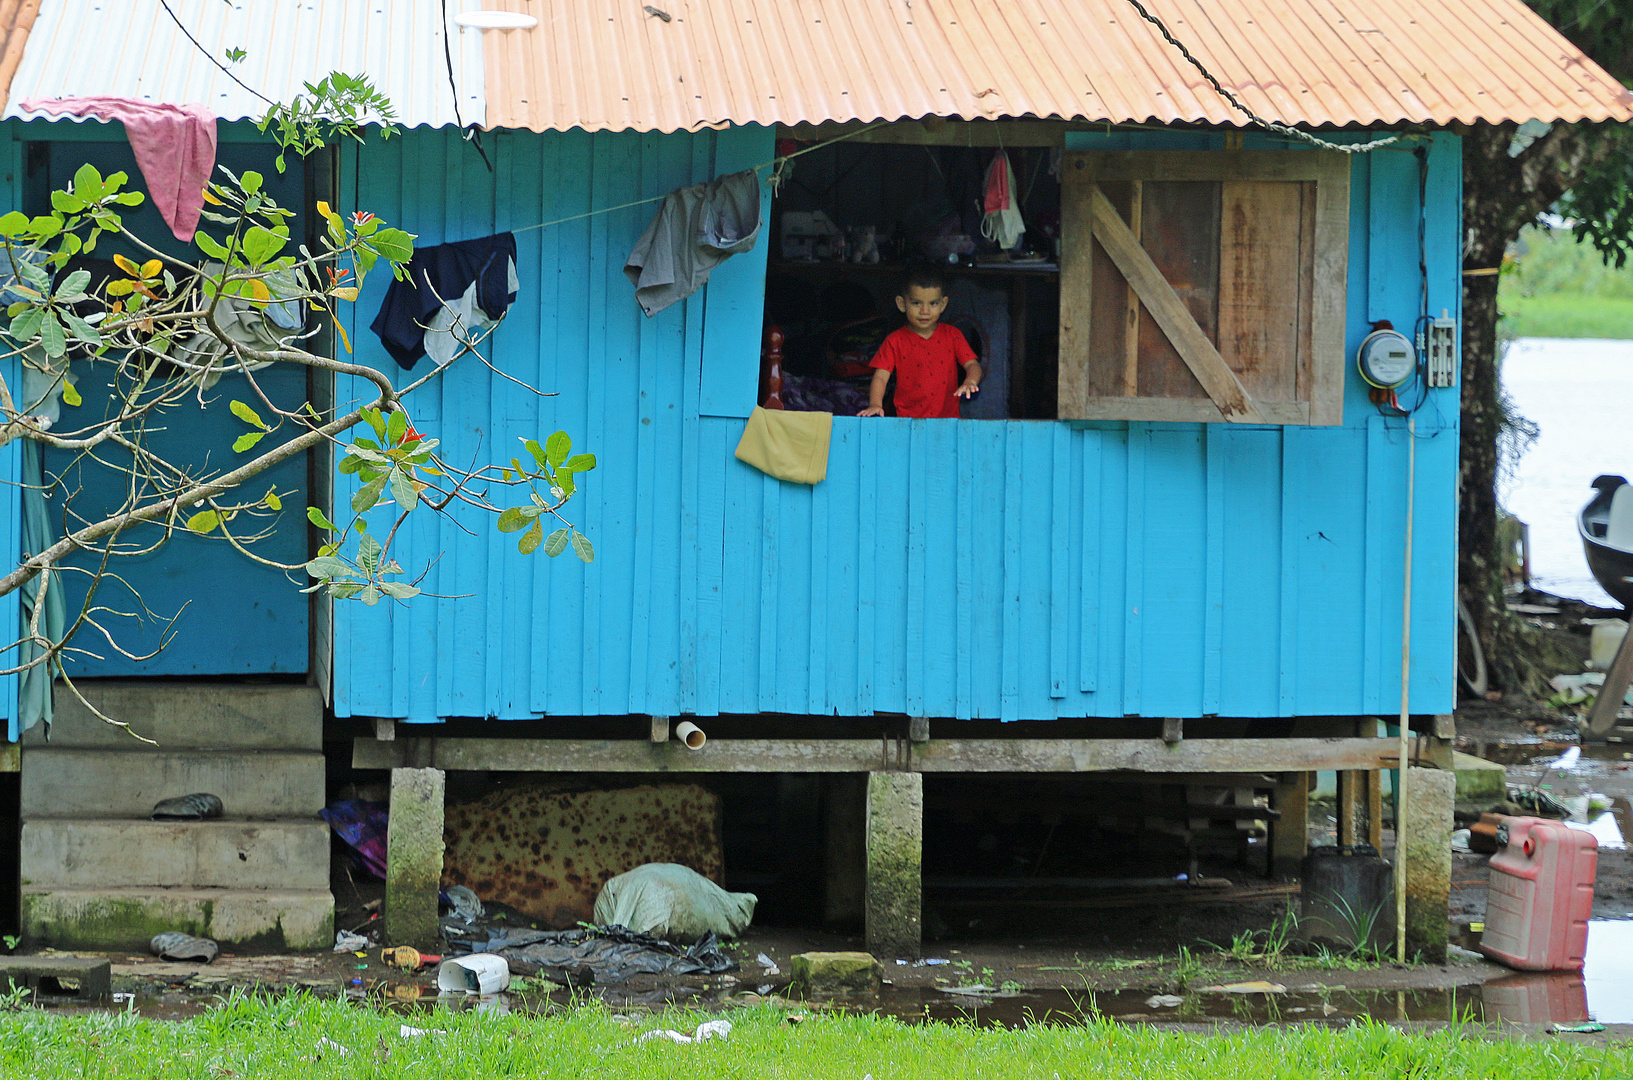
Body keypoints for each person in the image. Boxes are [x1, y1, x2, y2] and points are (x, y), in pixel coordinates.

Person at [858, 268, 981, 418]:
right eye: (916, 303)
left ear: (943, 304)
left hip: (948, 421)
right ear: (902, 304)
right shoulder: (894, 340)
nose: (925, 311)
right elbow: (881, 377)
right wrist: (875, 404)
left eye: (933, 303)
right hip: (906, 422)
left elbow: (972, 364)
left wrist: (970, 381)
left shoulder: (953, 335)